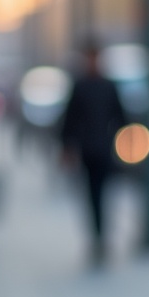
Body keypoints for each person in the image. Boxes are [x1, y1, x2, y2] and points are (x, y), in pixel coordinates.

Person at [59, 41, 127, 264]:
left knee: (104, 195)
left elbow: (121, 118)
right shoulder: (80, 86)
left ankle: (102, 237)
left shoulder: (108, 86)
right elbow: (69, 120)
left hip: (106, 150)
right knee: (92, 195)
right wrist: (68, 148)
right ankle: (96, 237)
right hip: (88, 151)